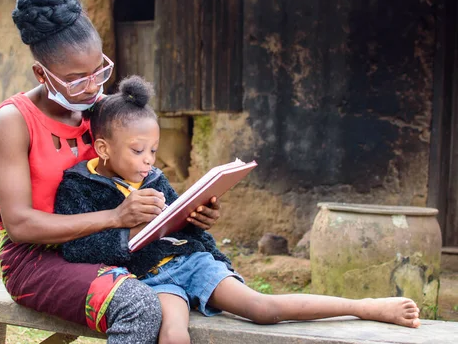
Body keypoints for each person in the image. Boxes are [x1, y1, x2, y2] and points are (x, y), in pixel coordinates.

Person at [54, 76, 422, 344]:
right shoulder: (77, 187)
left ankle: (364, 307)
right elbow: (76, 249)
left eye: (153, 150)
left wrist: (198, 221)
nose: (149, 160)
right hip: (149, 280)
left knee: (262, 309)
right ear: (102, 148)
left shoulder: (153, 178)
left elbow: (179, 227)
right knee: (173, 332)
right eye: (138, 151)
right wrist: (126, 232)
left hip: (191, 262)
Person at [0, 0, 221, 343]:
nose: (93, 87)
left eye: (99, 71)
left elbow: (141, 176)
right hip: (36, 260)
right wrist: (115, 217)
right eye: (77, 79)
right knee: (138, 304)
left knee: (195, 276)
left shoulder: (104, 113)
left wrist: (187, 214)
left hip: (110, 246)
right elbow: (19, 225)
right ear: (41, 74)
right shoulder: (14, 121)